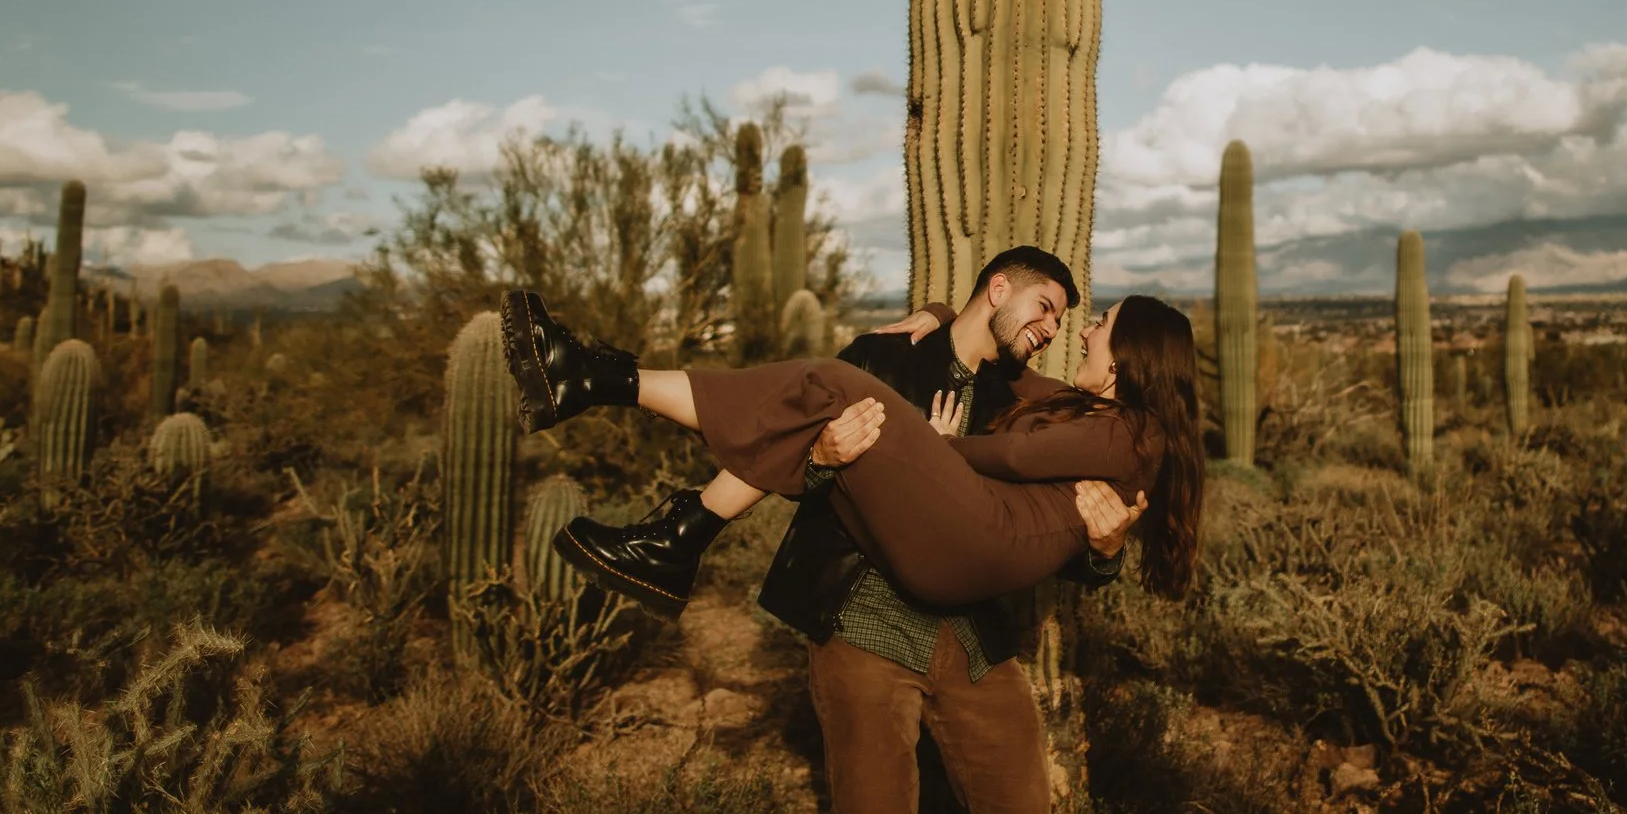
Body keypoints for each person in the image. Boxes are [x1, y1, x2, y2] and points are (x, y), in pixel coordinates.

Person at [755, 249, 1138, 814]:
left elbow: (1050, 534)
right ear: (998, 289)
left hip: (973, 641)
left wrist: (1106, 551)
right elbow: (785, 468)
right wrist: (822, 457)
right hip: (864, 627)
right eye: (1045, 309)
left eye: (1061, 323)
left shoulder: (1026, 402)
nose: (1052, 332)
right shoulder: (880, 359)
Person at [498, 283, 1202, 615]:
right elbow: (1007, 362)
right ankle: (675, 537)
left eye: (1101, 324)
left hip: (981, 537)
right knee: (826, 420)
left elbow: (1017, 460)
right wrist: (948, 314)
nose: (1082, 331)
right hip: (969, 542)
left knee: (842, 388)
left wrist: (938, 450)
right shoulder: (1090, 412)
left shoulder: (1134, 432)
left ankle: (596, 380)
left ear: (1129, 357)